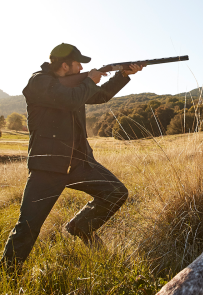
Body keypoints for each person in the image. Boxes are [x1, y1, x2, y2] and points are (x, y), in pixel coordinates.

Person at [0, 43, 144, 271]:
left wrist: (123, 75)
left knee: (116, 193)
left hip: (78, 162)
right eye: (78, 64)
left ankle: (80, 226)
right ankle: (8, 273)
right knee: (28, 226)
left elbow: (101, 96)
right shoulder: (39, 82)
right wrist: (90, 80)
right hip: (48, 165)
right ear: (64, 65)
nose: (80, 68)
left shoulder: (76, 86)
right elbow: (69, 99)